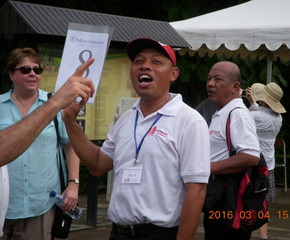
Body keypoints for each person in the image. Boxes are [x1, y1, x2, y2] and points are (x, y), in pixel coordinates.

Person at [62, 38, 210, 240]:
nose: (145, 66)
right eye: (138, 61)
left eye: (156, 62)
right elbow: (97, 164)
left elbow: (197, 191)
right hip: (118, 233)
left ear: (174, 73)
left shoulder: (190, 121)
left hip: (160, 235)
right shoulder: (126, 118)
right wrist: (70, 122)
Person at [0, 48, 95, 239]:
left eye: (37, 69)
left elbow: (70, 145)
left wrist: (73, 184)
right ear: (11, 74)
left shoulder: (56, 104)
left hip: (40, 204)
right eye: (25, 70)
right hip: (3, 204)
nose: (33, 74)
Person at [203, 61, 260, 240]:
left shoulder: (238, 114)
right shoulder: (222, 112)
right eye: (209, 78)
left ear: (235, 87)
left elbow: (251, 156)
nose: (210, 83)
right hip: (218, 197)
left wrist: (206, 167)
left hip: (229, 200)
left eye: (218, 79)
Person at [245, 82, 286, 240]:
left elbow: (245, 119)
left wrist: (249, 103)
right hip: (268, 164)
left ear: (264, 100)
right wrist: (253, 103)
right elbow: (262, 113)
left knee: (245, 197)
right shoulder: (279, 118)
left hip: (253, 163)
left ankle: (244, 227)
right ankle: (264, 236)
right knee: (263, 201)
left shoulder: (254, 115)